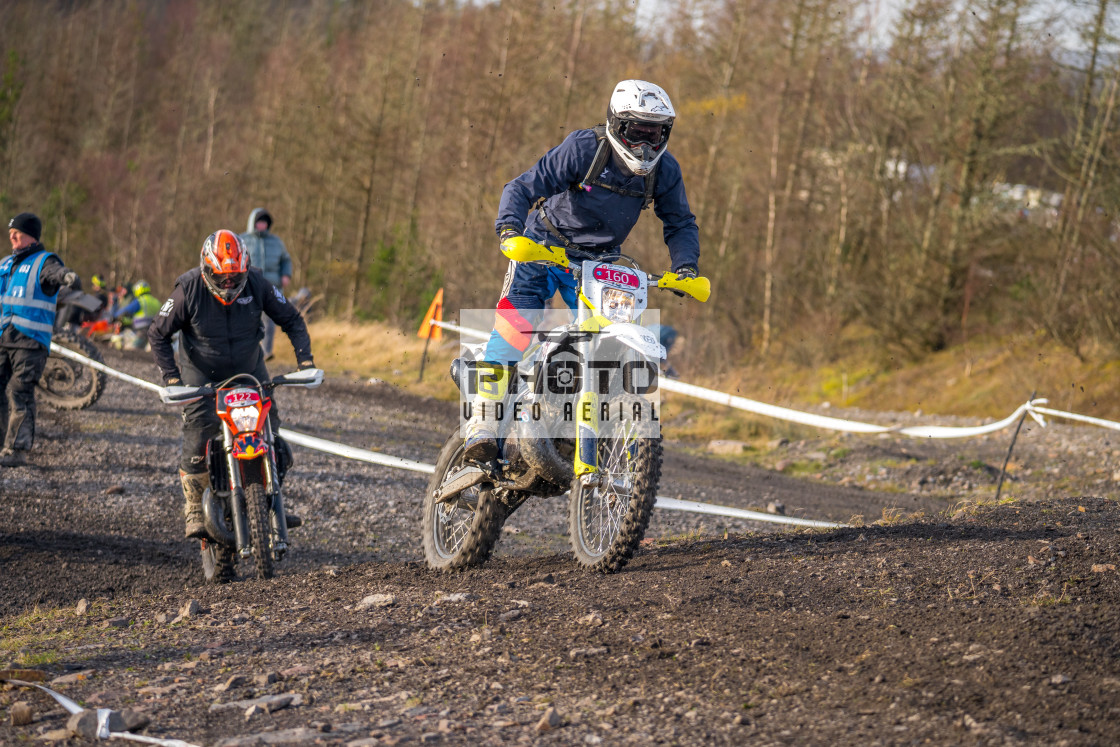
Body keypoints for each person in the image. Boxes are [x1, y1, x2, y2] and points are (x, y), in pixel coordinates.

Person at [463, 79, 701, 461]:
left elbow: (681, 223)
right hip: (543, 246)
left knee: (607, 341)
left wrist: (686, 267)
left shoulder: (664, 170)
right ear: (617, 125)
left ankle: (573, 419)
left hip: (600, 264)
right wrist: (508, 229)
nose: (645, 144)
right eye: (638, 131)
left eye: (654, 133)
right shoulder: (584, 148)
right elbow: (522, 187)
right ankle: (484, 421)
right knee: (516, 324)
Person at [148, 229, 314, 538]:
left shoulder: (259, 283)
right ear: (206, 268)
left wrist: (305, 360)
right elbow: (158, 332)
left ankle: (270, 494)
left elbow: (291, 318)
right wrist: (171, 378)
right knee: (199, 431)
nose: (228, 284)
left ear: (245, 269)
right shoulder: (188, 289)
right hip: (201, 374)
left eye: (235, 277)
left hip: (250, 370)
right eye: (221, 277)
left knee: (271, 432)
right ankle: (195, 507)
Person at [0, 212, 81, 467]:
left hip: (31, 342)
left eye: (18, 233)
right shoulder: (5, 264)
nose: (12, 237)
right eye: (11, 233)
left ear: (31, 236)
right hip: (5, 338)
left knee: (18, 391)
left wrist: (67, 276)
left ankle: (17, 449)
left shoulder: (44, 262)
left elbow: (57, 273)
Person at [239, 208, 292, 361]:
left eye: (264, 223)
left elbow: (286, 260)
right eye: (259, 222)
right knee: (249, 318)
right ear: (253, 223)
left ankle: (266, 351)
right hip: (249, 286)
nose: (262, 225)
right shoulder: (242, 240)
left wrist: (286, 275)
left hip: (272, 287)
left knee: (269, 321)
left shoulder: (277, 242)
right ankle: (249, 350)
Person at [112, 280, 162, 349]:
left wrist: (115, 316)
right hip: (157, 332)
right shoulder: (157, 301)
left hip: (142, 331)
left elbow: (125, 310)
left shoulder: (140, 301)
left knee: (133, 351)